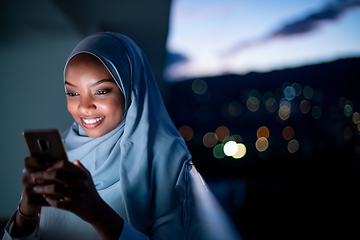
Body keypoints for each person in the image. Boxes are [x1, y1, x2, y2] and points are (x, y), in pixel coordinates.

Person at [2, 32, 194, 240]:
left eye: (101, 91)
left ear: (131, 89)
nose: (84, 107)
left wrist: (98, 213)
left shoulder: (167, 158)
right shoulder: (62, 150)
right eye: (73, 93)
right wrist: (26, 213)